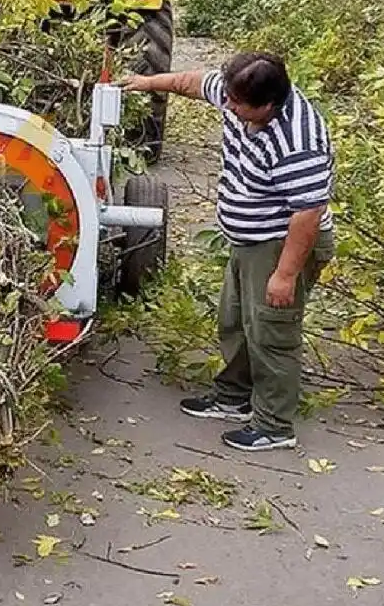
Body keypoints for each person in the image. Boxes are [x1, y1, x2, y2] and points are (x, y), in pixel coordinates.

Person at [122, 52, 335, 451]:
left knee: (272, 329)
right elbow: (190, 83)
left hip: (282, 243)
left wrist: (285, 274)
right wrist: (145, 82)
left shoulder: (298, 141)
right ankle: (233, 397)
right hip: (250, 241)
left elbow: (307, 213)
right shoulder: (238, 93)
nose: (230, 108)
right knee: (236, 320)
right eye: (229, 99)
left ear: (269, 105)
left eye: (239, 106)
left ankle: (274, 425)